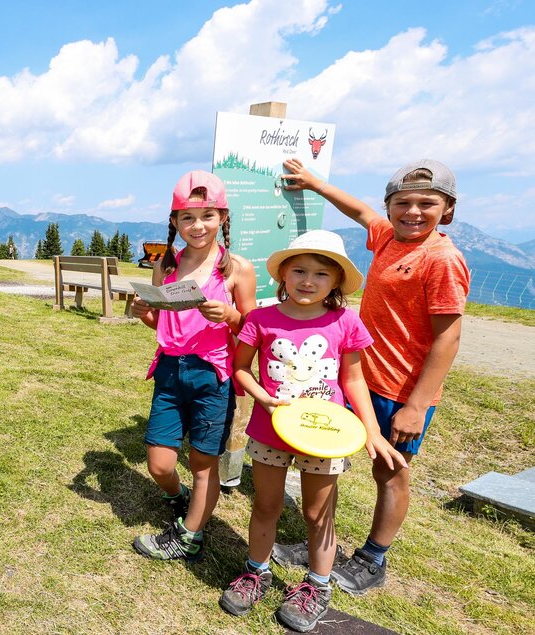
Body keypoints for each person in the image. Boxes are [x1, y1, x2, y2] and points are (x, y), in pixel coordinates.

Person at [276, 159, 470, 595]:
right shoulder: (387, 237)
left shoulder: (442, 259)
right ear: (391, 206)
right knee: (329, 460)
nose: (413, 212)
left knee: (389, 472)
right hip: (359, 378)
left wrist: (416, 406)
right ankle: (319, 544)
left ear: (448, 210)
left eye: (427, 203)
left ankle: (372, 558)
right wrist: (316, 183)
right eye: (402, 202)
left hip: (402, 391)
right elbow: (362, 212)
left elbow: (448, 340)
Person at [217, 230, 407, 632]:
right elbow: (240, 367)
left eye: (321, 274)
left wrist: (371, 432)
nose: (308, 280)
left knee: (318, 513)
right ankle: (257, 572)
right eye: (299, 270)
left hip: (326, 436)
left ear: (336, 281)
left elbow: (354, 380)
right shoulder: (261, 319)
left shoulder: (345, 321)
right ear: (282, 275)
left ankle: (317, 586)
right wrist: (262, 398)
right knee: (266, 506)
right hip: (269, 433)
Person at [130, 170, 256, 562]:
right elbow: (161, 321)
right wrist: (142, 313)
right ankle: (180, 498)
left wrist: (231, 315)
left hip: (212, 375)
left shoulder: (238, 268)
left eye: (207, 215)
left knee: (203, 462)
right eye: (187, 217)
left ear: (222, 217)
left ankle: (190, 536)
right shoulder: (167, 265)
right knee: (159, 463)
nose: (197, 225)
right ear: (174, 222)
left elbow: (253, 329)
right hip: (169, 369)